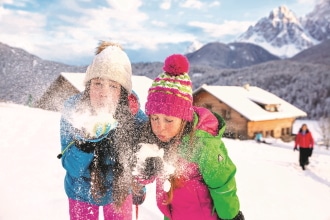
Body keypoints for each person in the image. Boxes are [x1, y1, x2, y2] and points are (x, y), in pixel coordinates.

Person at [135, 54, 244, 220]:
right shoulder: (155, 141)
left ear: (184, 118)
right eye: (154, 118)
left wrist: (230, 215)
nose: (160, 126)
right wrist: (144, 173)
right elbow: (143, 175)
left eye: (169, 120)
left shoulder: (203, 145)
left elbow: (222, 183)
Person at [59, 41, 146, 220]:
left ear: (122, 92)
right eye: (98, 83)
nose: (103, 93)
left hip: (119, 190)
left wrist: (140, 184)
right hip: (81, 191)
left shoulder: (132, 111)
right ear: (89, 85)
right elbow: (71, 167)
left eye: (113, 86)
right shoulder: (74, 110)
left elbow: (144, 150)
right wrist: (84, 145)